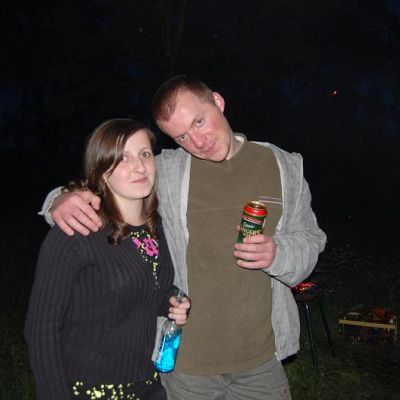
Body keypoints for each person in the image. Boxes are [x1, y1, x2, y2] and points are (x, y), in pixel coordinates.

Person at [40, 76, 327, 400]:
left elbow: (311, 238)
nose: (198, 142)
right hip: (187, 366)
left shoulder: (283, 166)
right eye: (182, 136)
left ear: (217, 102)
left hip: (261, 360)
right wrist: (59, 200)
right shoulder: (167, 172)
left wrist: (279, 253)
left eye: (199, 122)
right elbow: (103, 182)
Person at [25, 118, 190, 400]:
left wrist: (172, 301)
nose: (140, 166)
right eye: (123, 158)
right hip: (90, 389)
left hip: (148, 384)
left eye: (145, 154)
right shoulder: (76, 232)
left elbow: (145, 290)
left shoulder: (156, 227)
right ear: (101, 170)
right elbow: (41, 330)